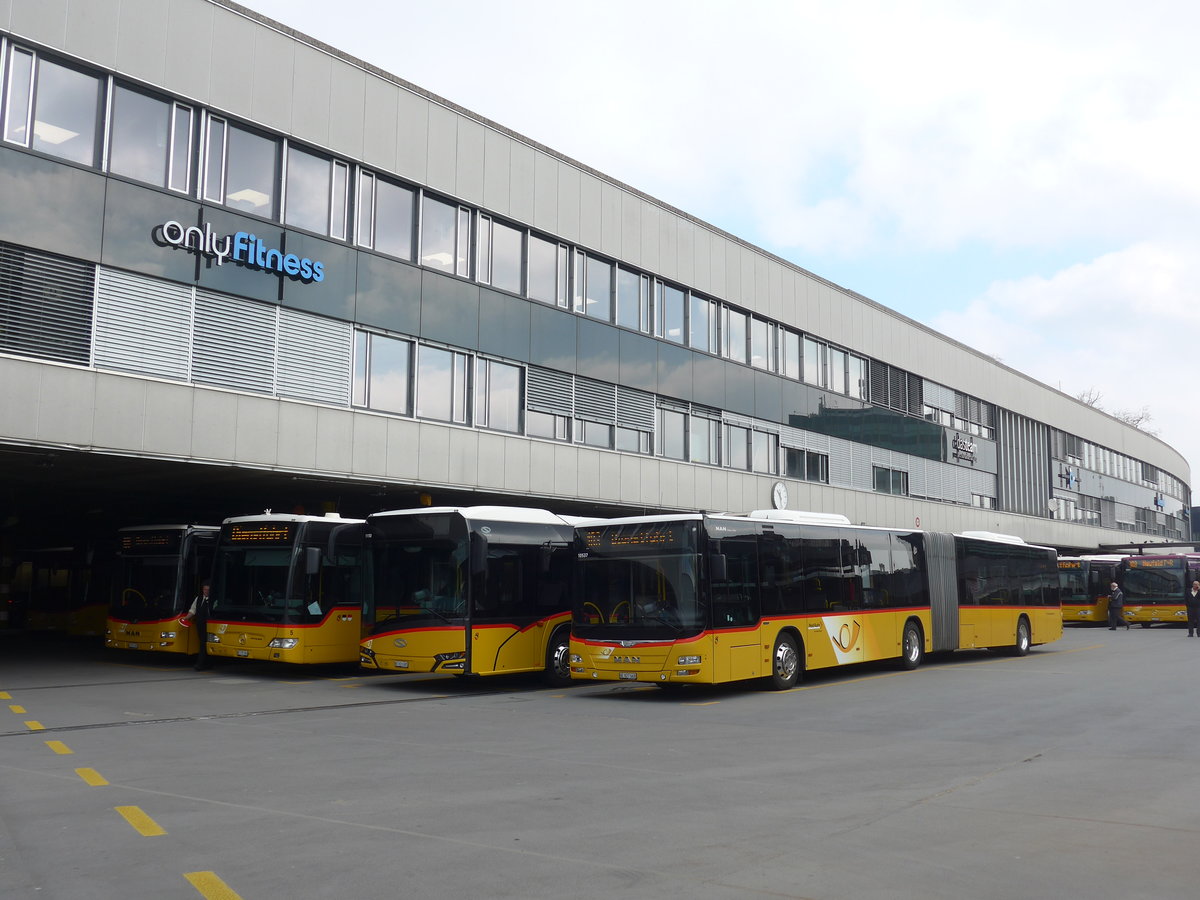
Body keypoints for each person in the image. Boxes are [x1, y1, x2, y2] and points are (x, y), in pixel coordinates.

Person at [181, 580, 212, 670]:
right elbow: (192, 610)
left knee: (204, 644)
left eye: (208, 590)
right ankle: (208, 663)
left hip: (208, 625)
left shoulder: (212, 600)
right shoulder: (198, 599)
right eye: (205, 589)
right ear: (202, 590)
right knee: (202, 643)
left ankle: (200, 664)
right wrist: (186, 618)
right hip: (200, 625)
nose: (206, 591)